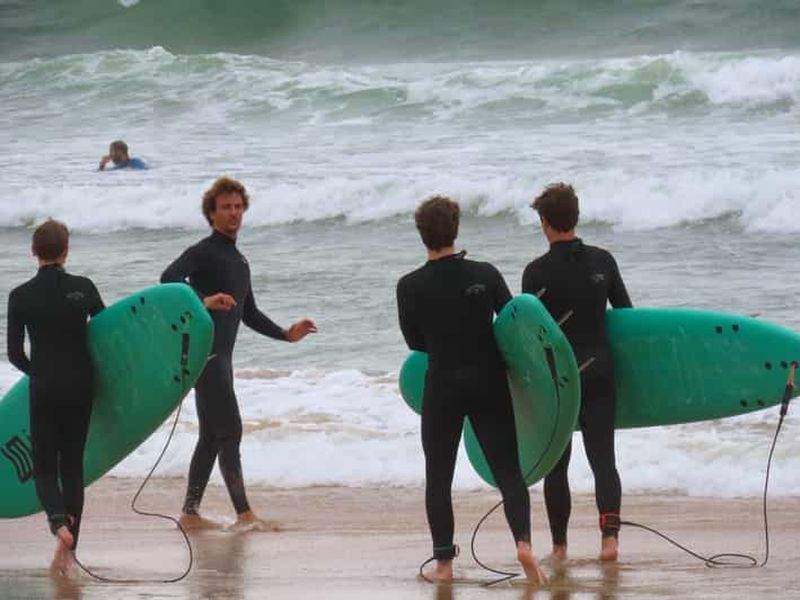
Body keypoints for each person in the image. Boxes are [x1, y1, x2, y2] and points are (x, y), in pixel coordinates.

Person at [396, 196, 546, 584]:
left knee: (439, 476)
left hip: (442, 385)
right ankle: (524, 545)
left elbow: (416, 343)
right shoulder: (486, 273)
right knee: (508, 470)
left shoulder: (409, 286)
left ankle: (444, 564)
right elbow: (515, 323)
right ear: (456, 229)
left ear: (420, 235)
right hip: (488, 382)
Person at [160, 176, 317, 530]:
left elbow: (248, 313)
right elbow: (167, 281)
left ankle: (190, 512)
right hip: (207, 354)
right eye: (225, 208)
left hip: (221, 359)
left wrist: (286, 335)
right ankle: (244, 515)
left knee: (211, 436)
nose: (233, 213)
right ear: (211, 214)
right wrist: (204, 302)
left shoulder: (239, 261)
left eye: (237, 207)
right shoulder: (203, 252)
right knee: (230, 431)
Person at [521, 183, 632, 562]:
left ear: (545, 223)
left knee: (557, 464)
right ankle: (609, 540)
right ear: (575, 216)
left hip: (559, 379)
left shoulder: (535, 273)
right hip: (601, 371)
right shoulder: (603, 261)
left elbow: (531, 336)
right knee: (604, 459)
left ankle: (559, 546)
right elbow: (626, 318)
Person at [6, 219, 105, 576]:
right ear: (66, 250)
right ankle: (69, 549)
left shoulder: (20, 295)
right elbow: (108, 335)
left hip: (45, 386)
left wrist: (41, 373)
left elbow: (15, 354)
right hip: (82, 386)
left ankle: (57, 523)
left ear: (34, 252)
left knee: (44, 467)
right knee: (72, 467)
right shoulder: (84, 288)